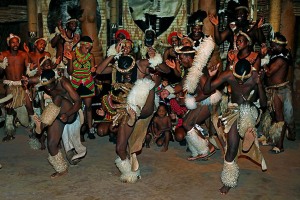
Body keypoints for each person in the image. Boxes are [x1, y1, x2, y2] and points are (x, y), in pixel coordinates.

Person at [96, 38, 170, 183]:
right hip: (124, 110)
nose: (125, 48)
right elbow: (98, 71)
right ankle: (130, 171)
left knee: (147, 82)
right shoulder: (114, 68)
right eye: (122, 45)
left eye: (129, 46)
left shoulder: (140, 64)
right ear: (118, 47)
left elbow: (166, 70)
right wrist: (111, 54)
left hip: (142, 106)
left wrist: (155, 58)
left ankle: (133, 116)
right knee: (120, 148)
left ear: (132, 50)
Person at [204, 58, 267, 194]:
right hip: (233, 110)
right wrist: (210, 76)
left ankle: (247, 132)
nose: (240, 82)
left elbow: (263, 104)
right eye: (238, 79)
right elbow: (207, 89)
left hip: (251, 110)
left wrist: (260, 84)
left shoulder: (256, 76)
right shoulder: (228, 75)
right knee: (231, 148)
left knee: (246, 111)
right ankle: (229, 181)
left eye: (244, 80)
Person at [27, 69, 85, 178]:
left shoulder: (63, 82)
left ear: (55, 79)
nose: (48, 88)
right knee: (51, 143)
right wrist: (25, 81)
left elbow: (78, 102)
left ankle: (42, 125)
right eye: (46, 86)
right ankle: (61, 169)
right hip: (55, 114)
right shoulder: (43, 80)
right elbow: (30, 79)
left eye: (50, 85)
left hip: (70, 111)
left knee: (58, 98)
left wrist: (68, 114)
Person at [262, 32, 296, 153]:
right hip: (273, 89)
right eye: (272, 44)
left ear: (280, 46)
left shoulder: (281, 59)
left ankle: (280, 145)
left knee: (279, 118)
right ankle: (272, 139)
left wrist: (264, 63)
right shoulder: (276, 55)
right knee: (273, 117)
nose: (272, 46)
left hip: (279, 90)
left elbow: (269, 73)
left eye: (274, 45)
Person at [0, 34, 35, 141]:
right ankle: (10, 132)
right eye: (12, 42)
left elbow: (29, 71)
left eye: (17, 42)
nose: (15, 44)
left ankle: (34, 129)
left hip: (21, 84)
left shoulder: (23, 54)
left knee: (29, 106)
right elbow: (0, 73)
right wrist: (1, 63)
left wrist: (29, 73)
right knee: (9, 109)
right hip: (10, 85)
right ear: (9, 44)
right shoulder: (4, 55)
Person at [65, 36, 96, 140]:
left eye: (89, 48)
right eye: (86, 48)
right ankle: (77, 131)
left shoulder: (91, 56)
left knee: (88, 106)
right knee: (76, 107)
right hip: (75, 83)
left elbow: (92, 68)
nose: (88, 50)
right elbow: (70, 72)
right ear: (80, 45)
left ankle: (90, 129)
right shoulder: (73, 54)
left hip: (87, 83)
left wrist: (93, 69)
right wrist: (70, 60)